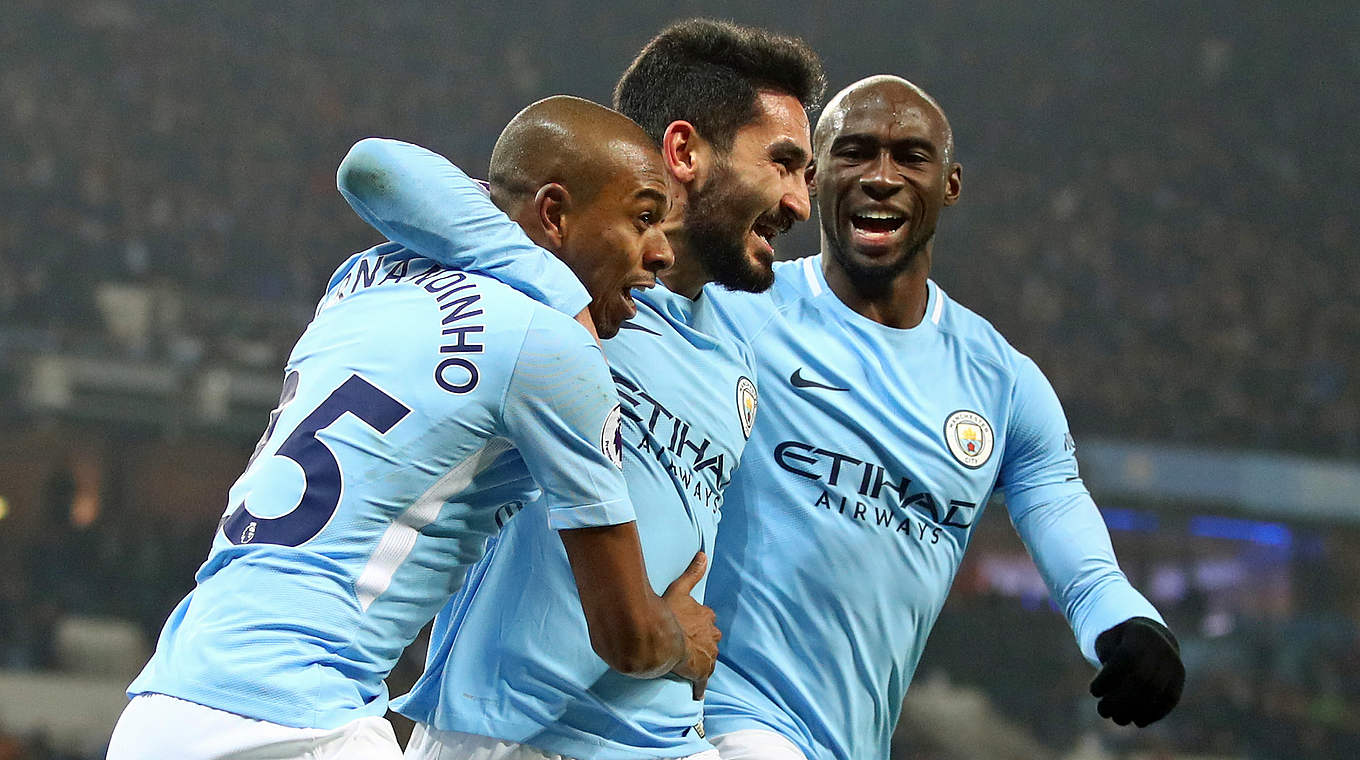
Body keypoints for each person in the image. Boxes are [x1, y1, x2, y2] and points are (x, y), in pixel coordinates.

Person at [106, 96, 720, 760]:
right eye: (643, 218)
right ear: (553, 213)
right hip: (299, 722)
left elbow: (380, 167)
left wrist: (549, 277)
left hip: (163, 707)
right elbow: (627, 637)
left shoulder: (365, 274)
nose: (661, 251)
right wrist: (684, 643)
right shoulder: (553, 352)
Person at [333, 19, 825, 760]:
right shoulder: (565, 272)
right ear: (685, 151)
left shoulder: (735, 353)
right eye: (783, 164)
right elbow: (375, 169)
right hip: (511, 738)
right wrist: (557, 294)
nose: (799, 204)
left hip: (662, 735)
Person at [689, 75, 1186, 759]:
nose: (881, 177)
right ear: (813, 174)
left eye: (910, 157)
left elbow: (1077, 550)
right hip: (717, 715)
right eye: (855, 152)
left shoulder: (1005, 386)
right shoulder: (734, 311)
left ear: (949, 185)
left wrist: (1130, 623)